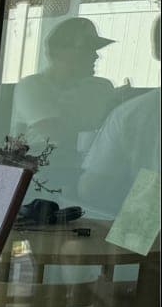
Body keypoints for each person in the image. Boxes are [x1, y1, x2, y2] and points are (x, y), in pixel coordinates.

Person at [11, 16, 119, 176]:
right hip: (38, 175)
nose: (96, 56)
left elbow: (119, 133)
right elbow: (54, 135)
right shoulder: (32, 86)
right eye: (87, 49)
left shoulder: (101, 87)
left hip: (90, 171)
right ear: (58, 53)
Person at [79, 17, 160, 218]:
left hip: (146, 223)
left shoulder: (132, 114)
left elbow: (93, 189)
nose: (95, 55)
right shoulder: (131, 112)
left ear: (157, 51)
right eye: (87, 49)